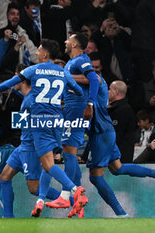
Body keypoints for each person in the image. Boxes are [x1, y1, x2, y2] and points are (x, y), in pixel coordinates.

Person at [0, 38, 88, 218]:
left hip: (34, 136)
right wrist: (62, 98)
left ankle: (74, 193)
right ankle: (8, 218)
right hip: (49, 126)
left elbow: (9, 84)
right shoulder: (62, 72)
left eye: (38, 50)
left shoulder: (33, 76)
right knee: (5, 176)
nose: (36, 53)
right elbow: (77, 90)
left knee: (42, 175)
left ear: (45, 54)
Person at [72, 74, 155, 218]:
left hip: (102, 136)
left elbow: (93, 79)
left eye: (110, 89)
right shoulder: (102, 98)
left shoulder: (95, 90)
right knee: (117, 168)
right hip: (105, 135)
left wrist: (65, 76)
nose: (108, 91)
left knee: (95, 178)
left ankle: (121, 213)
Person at [44, 33, 99, 215]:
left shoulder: (81, 60)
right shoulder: (73, 62)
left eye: (68, 40)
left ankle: (67, 196)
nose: (65, 42)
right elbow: (83, 79)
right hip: (72, 107)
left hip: (76, 107)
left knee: (68, 151)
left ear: (74, 44)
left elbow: (93, 79)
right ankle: (78, 199)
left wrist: (89, 104)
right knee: (70, 151)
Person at [0, 77, 67, 218]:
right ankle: (8, 218)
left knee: (34, 189)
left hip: (31, 148)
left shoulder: (33, 100)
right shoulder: (28, 97)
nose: (13, 81)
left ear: (23, 81)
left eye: (16, 78)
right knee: (4, 177)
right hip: (23, 146)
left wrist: (55, 147)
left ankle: (73, 201)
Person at [0, 1, 38, 73]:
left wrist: (46, 61)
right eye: (12, 14)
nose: (16, 17)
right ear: (6, 15)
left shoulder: (20, 32)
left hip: (13, 74)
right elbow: (0, 7)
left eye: (18, 14)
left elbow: (33, 52)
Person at [107, 80, 136, 163]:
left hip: (119, 158)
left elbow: (115, 135)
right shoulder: (114, 109)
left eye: (110, 89)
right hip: (114, 157)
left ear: (116, 92)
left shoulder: (123, 110)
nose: (108, 92)